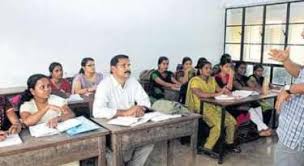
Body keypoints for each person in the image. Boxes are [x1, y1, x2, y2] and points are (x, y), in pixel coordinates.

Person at [93, 55, 154, 166]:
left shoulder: (132, 81)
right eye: (123, 65)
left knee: (149, 142)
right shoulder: (104, 85)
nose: (127, 68)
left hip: (132, 125)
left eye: (128, 65)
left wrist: (141, 109)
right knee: (114, 153)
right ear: (113, 69)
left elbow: (145, 101)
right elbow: (97, 111)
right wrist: (125, 112)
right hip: (112, 131)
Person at [185, 58, 240, 156]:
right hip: (201, 108)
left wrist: (230, 82)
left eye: (210, 68)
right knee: (218, 126)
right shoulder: (195, 80)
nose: (209, 70)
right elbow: (200, 94)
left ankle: (229, 143)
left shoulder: (212, 79)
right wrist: (217, 94)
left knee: (232, 122)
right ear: (200, 70)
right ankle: (207, 147)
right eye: (206, 68)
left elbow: (221, 90)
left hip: (214, 106)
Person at [269, 43, 304, 165]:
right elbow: (301, 73)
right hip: (290, 131)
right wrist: (286, 61)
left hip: (296, 136)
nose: (302, 33)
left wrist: (289, 89)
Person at [233, 61, 272, 136]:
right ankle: (264, 127)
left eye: (245, 68)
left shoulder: (245, 77)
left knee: (257, 105)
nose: (243, 70)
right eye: (241, 68)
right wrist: (253, 89)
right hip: (234, 104)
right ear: (236, 68)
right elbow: (240, 87)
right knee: (250, 107)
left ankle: (260, 130)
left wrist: (255, 88)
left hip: (244, 101)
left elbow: (253, 86)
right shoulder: (234, 78)